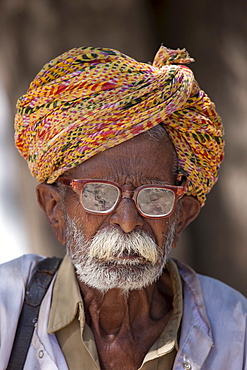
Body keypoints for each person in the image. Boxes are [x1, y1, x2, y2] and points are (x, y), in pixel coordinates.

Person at [0, 45, 246, 370]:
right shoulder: (8, 310)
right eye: (99, 195)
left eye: (153, 196)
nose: (128, 221)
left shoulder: (235, 329)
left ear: (181, 216)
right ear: (54, 209)